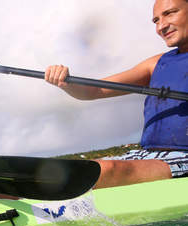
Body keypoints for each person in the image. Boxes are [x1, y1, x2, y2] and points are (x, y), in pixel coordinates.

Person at [45, 0, 188, 189]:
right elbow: (94, 90)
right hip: (147, 156)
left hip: (184, 157)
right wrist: (65, 82)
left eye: (170, 13)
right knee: (70, 169)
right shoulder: (155, 64)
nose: (161, 26)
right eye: (155, 20)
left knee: (104, 170)